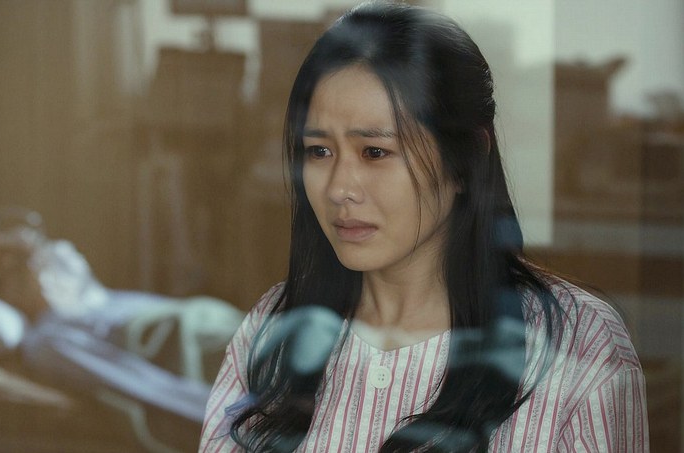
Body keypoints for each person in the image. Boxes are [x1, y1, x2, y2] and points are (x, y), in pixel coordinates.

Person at [199, 2, 648, 452]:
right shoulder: (272, 329)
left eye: (374, 152)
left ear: (466, 158)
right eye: (319, 151)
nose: (339, 188)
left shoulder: (581, 348)